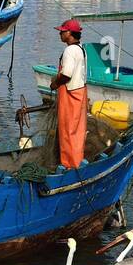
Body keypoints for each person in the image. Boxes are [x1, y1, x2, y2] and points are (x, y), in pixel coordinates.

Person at [49, 19, 87, 170]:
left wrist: (54, 83)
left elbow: (66, 74)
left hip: (70, 93)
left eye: (62, 31)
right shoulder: (81, 49)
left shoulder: (70, 51)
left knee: (67, 130)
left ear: (70, 33)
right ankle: (77, 162)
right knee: (77, 130)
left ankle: (69, 165)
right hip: (80, 91)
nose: (60, 33)